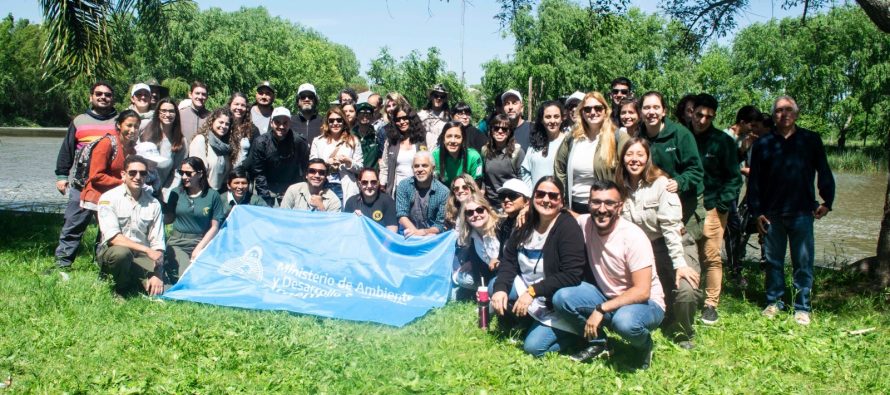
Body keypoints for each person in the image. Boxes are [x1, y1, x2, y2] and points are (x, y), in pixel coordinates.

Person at [553, 180, 665, 369]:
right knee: (561, 297)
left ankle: (645, 345)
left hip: (646, 303)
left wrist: (601, 309)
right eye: (596, 202)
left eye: (609, 203)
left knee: (625, 323)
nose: (602, 209)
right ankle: (600, 343)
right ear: (589, 204)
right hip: (608, 297)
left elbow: (642, 291)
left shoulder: (633, 237)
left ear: (619, 206)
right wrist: (526, 208)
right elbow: (565, 212)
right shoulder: (586, 222)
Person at [749, 95, 835, 326]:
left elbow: (824, 171)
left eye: (788, 110)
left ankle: (801, 306)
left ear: (796, 114)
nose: (783, 114)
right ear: (773, 115)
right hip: (772, 214)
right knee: (773, 261)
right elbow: (754, 181)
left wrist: (827, 201)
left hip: (802, 212)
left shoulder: (810, 140)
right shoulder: (763, 144)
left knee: (803, 262)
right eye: (778, 110)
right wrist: (756, 211)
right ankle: (774, 302)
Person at [616, 138, 701, 349]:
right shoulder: (618, 188)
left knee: (686, 289)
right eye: (629, 154)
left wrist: (679, 263)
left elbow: (671, 227)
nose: (634, 159)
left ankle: (684, 331)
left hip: (673, 242)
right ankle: (657, 317)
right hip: (642, 250)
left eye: (640, 155)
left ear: (647, 159)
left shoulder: (662, 184)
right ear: (622, 158)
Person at [489, 176, 587, 357]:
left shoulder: (567, 227)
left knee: (534, 348)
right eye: (541, 194)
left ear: (561, 201)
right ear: (533, 197)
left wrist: (532, 292)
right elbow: (509, 260)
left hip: (553, 299)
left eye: (553, 196)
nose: (546, 200)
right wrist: (501, 288)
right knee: (494, 286)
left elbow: (572, 274)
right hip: (528, 289)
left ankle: (577, 334)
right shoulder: (525, 223)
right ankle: (525, 320)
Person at [51, 81, 119, 273]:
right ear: (91, 97)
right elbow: (67, 150)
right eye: (99, 94)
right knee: (73, 223)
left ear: (113, 98)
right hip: (82, 184)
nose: (103, 97)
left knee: (108, 228)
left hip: (110, 185)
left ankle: (103, 265)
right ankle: (62, 265)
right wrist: (62, 175)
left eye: (107, 94)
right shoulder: (79, 121)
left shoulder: (120, 121)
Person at [689, 94, 743, 324]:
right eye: (699, 114)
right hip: (686, 206)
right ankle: (685, 298)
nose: (702, 120)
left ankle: (711, 304)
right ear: (691, 112)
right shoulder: (683, 137)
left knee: (711, 256)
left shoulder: (723, 141)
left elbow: (734, 178)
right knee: (686, 254)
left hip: (713, 207)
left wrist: (722, 205)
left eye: (708, 117)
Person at [96, 156, 165, 296]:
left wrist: (158, 274)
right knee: (122, 254)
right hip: (115, 252)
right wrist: (147, 250)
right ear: (123, 175)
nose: (138, 177)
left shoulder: (154, 203)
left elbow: (158, 243)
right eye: (133, 173)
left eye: (143, 173)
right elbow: (114, 238)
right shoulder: (108, 198)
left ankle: (134, 279)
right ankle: (119, 290)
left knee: (163, 290)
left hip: (142, 256)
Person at [639, 91, 704, 236]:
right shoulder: (638, 138)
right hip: (655, 204)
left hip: (686, 203)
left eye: (656, 107)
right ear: (640, 112)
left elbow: (696, 170)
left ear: (663, 112)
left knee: (684, 251)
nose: (651, 112)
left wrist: (679, 182)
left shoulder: (681, 134)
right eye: (646, 107)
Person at [554, 92, 629, 214]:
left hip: (605, 208)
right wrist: (561, 199)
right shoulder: (572, 138)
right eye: (587, 109)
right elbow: (559, 167)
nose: (593, 112)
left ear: (605, 111)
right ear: (582, 112)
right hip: (575, 207)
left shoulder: (618, 137)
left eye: (598, 108)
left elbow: (633, 167)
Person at [164, 157, 225, 284]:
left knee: (208, 278)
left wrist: (199, 248)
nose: (184, 177)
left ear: (200, 174)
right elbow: (168, 219)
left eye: (188, 173)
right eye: (181, 173)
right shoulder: (176, 193)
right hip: (177, 242)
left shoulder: (212, 195)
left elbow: (215, 227)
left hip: (201, 242)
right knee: (187, 276)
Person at [80, 110, 140, 212]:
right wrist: (124, 183)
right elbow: (96, 176)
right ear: (119, 125)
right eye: (129, 125)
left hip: (117, 197)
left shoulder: (133, 149)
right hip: (97, 197)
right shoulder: (106, 144)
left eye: (136, 126)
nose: (133, 130)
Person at [250, 107, 310, 206]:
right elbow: (259, 172)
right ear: (271, 123)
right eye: (277, 122)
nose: (281, 126)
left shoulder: (299, 141)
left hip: (291, 186)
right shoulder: (261, 142)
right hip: (267, 186)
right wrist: (265, 197)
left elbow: (304, 167)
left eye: (285, 123)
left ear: (290, 123)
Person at [310, 107, 363, 202]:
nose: (335, 123)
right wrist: (326, 163)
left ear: (344, 122)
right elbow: (311, 166)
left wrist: (348, 162)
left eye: (339, 120)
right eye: (331, 120)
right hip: (324, 185)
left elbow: (360, 168)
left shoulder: (353, 141)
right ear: (327, 122)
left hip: (345, 187)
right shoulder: (318, 141)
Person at [140, 98, 187, 202]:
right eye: (164, 111)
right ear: (158, 112)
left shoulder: (180, 141)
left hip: (161, 194)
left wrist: (165, 193)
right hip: (138, 189)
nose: (168, 114)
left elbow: (177, 172)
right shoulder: (144, 128)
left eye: (171, 111)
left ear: (176, 114)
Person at [453, 195, 501, 294]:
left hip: (507, 274)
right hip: (490, 275)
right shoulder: (471, 237)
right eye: (470, 213)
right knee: (461, 277)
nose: (475, 215)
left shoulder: (501, 228)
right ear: (466, 218)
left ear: (487, 210)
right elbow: (479, 268)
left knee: (494, 286)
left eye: (479, 210)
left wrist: (498, 260)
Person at [395, 151, 449, 237]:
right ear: (412, 168)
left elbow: (440, 224)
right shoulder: (404, 185)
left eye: (424, 165)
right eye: (416, 166)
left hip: (431, 235)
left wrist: (423, 232)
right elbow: (401, 214)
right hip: (408, 232)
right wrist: (415, 233)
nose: (420, 169)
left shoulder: (443, 191)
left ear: (432, 168)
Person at [380, 104, 428, 197]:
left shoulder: (422, 139)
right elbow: (385, 166)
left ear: (411, 119)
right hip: (398, 190)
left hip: (420, 190)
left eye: (405, 118)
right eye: (398, 120)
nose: (402, 122)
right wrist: (382, 183)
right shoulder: (391, 142)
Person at [481, 114, 525, 209]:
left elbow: (522, 181)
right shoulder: (485, 151)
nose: (500, 131)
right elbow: (483, 177)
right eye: (496, 128)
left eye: (504, 129)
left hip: (510, 204)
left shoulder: (517, 152)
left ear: (509, 132)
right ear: (491, 130)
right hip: (491, 204)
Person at [522, 100, 567, 189]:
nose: (552, 120)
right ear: (542, 120)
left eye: (556, 116)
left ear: (562, 119)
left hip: (559, 199)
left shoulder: (568, 142)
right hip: (537, 198)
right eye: (548, 117)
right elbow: (525, 171)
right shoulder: (535, 144)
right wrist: (531, 193)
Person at [189, 107, 233, 192]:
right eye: (221, 122)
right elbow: (196, 172)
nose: (223, 126)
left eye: (227, 124)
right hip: (204, 192)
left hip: (221, 192)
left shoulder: (226, 146)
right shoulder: (201, 140)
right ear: (212, 121)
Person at [343, 168, 398, 232]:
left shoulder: (388, 201)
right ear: (359, 184)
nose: (369, 186)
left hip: (380, 241)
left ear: (378, 183)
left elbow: (392, 230)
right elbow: (346, 229)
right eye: (364, 182)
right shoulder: (351, 202)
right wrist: (353, 219)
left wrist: (383, 242)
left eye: (373, 182)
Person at [431, 121, 483, 187]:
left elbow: (477, 186)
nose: (453, 141)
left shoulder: (474, 157)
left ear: (463, 140)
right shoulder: (435, 155)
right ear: (443, 139)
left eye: (457, 137)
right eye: (449, 136)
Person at [495, 178, 530, 254]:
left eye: (512, 195)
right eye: (502, 196)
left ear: (526, 201)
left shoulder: (531, 221)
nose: (506, 200)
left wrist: (530, 209)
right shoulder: (503, 225)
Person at [228, 92, 260, 171]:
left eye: (243, 105)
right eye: (236, 104)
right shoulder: (224, 126)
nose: (239, 107)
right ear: (230, 105)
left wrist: (241, 168)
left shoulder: (253, 129)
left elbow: (254, 153)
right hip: (223, 174)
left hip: (243, 175)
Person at [418, 84, 451, 148]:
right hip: (424, 152)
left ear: (445, 99)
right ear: (431, 97)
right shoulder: (421, 115)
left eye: (442, 97)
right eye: (436, 96)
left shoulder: (449, 118)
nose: (439, 98)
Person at [352, 102, 382, 170]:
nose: (365, 115)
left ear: (372, 116)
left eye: (368, 113)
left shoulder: (377, 134)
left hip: (372, 176)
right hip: (355, 175)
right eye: (361, 113)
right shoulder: (350, 135)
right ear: (356, 115)